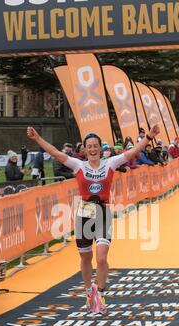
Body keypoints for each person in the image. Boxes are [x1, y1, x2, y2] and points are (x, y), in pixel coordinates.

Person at [27, 123, 160, 313]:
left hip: (103, 212)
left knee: (102, 258)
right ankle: (89, 291)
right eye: (88, 146)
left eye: (95, 145)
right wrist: (37, 138)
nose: (92, 149)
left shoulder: (110, 163)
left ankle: (101, 293)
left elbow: (131, 153)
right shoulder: (78, 165)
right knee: (86, 257)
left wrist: (148, 137)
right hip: (84, 213)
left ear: (100, 147)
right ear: (85, 148)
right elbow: (56, 153)